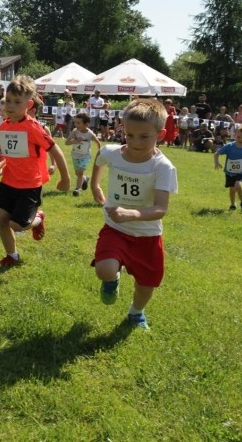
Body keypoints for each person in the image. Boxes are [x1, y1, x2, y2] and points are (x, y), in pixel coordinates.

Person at [90, 98, 178, 330]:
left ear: (160, 133)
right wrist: (95, 186)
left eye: (144, 136)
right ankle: (112, 279)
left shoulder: (163, 167)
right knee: (105, 269)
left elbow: (161, 208)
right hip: (115, 228)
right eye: (129, 135)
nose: (135, 142)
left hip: (147, 235)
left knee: (147, 283)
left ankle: (136, 313)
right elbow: (100, 159)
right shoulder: (113, 153)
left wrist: (130, 213)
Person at [0, 75, 70, 267]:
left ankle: (38, 219)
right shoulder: (4, 126)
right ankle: (12, 256)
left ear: (28, 104)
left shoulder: (34, 128)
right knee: (3, 221)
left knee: (18, 224)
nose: (11, 105)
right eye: (8, 100)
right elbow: (5, 155)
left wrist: (65, 178)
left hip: (29, 185)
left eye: (17, 102)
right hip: (8, 183)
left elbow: (55, 149)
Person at [215, 125, 242, 212]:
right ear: (235, 135)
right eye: (238, 137)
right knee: (232, 189)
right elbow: (216, 153)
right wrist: (216, 162)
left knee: (238, 185)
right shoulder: (229, 146)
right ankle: (232, 204)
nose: (240, 139)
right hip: (229, 172)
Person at [65, 112, 101, 196]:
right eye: (75, 122)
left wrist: (100, 152)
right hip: (75, 155)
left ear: (86, 124)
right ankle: (85, 179)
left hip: (85, 156)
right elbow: (67, 142)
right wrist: (75, 141)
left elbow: (97, 142)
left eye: (78, 123)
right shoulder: (75, 131)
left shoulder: (90, 134)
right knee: (78, 173)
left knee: (80, 172)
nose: (76, 125)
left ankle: (77, 189)